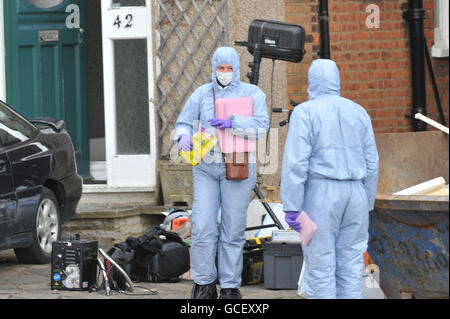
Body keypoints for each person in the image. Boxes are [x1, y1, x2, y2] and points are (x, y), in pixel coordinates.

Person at [174, 46, 269, 299]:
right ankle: (204, 283)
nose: (224, 73)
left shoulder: (253, 94)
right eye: (220, 68)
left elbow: (261, 126)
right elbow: (183, 122)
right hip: (206, 167)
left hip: (237, 165)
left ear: (236, 69)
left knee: (233, 228)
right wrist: (182, 137)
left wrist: (234, 122)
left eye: (229, 68)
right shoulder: (202, 94)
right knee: (204, 225)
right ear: (213, 68)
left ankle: (229, 286)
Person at [280, 59, 379, 299]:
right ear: (337, 80)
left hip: (320, 195)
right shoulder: (358, 111)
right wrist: (367, 201)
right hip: (356, 193)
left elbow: (296, 163)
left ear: (311, 82)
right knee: (352, 266)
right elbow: (372, 162)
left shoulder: (305, 112)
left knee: (320, 266)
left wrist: (292, 206)